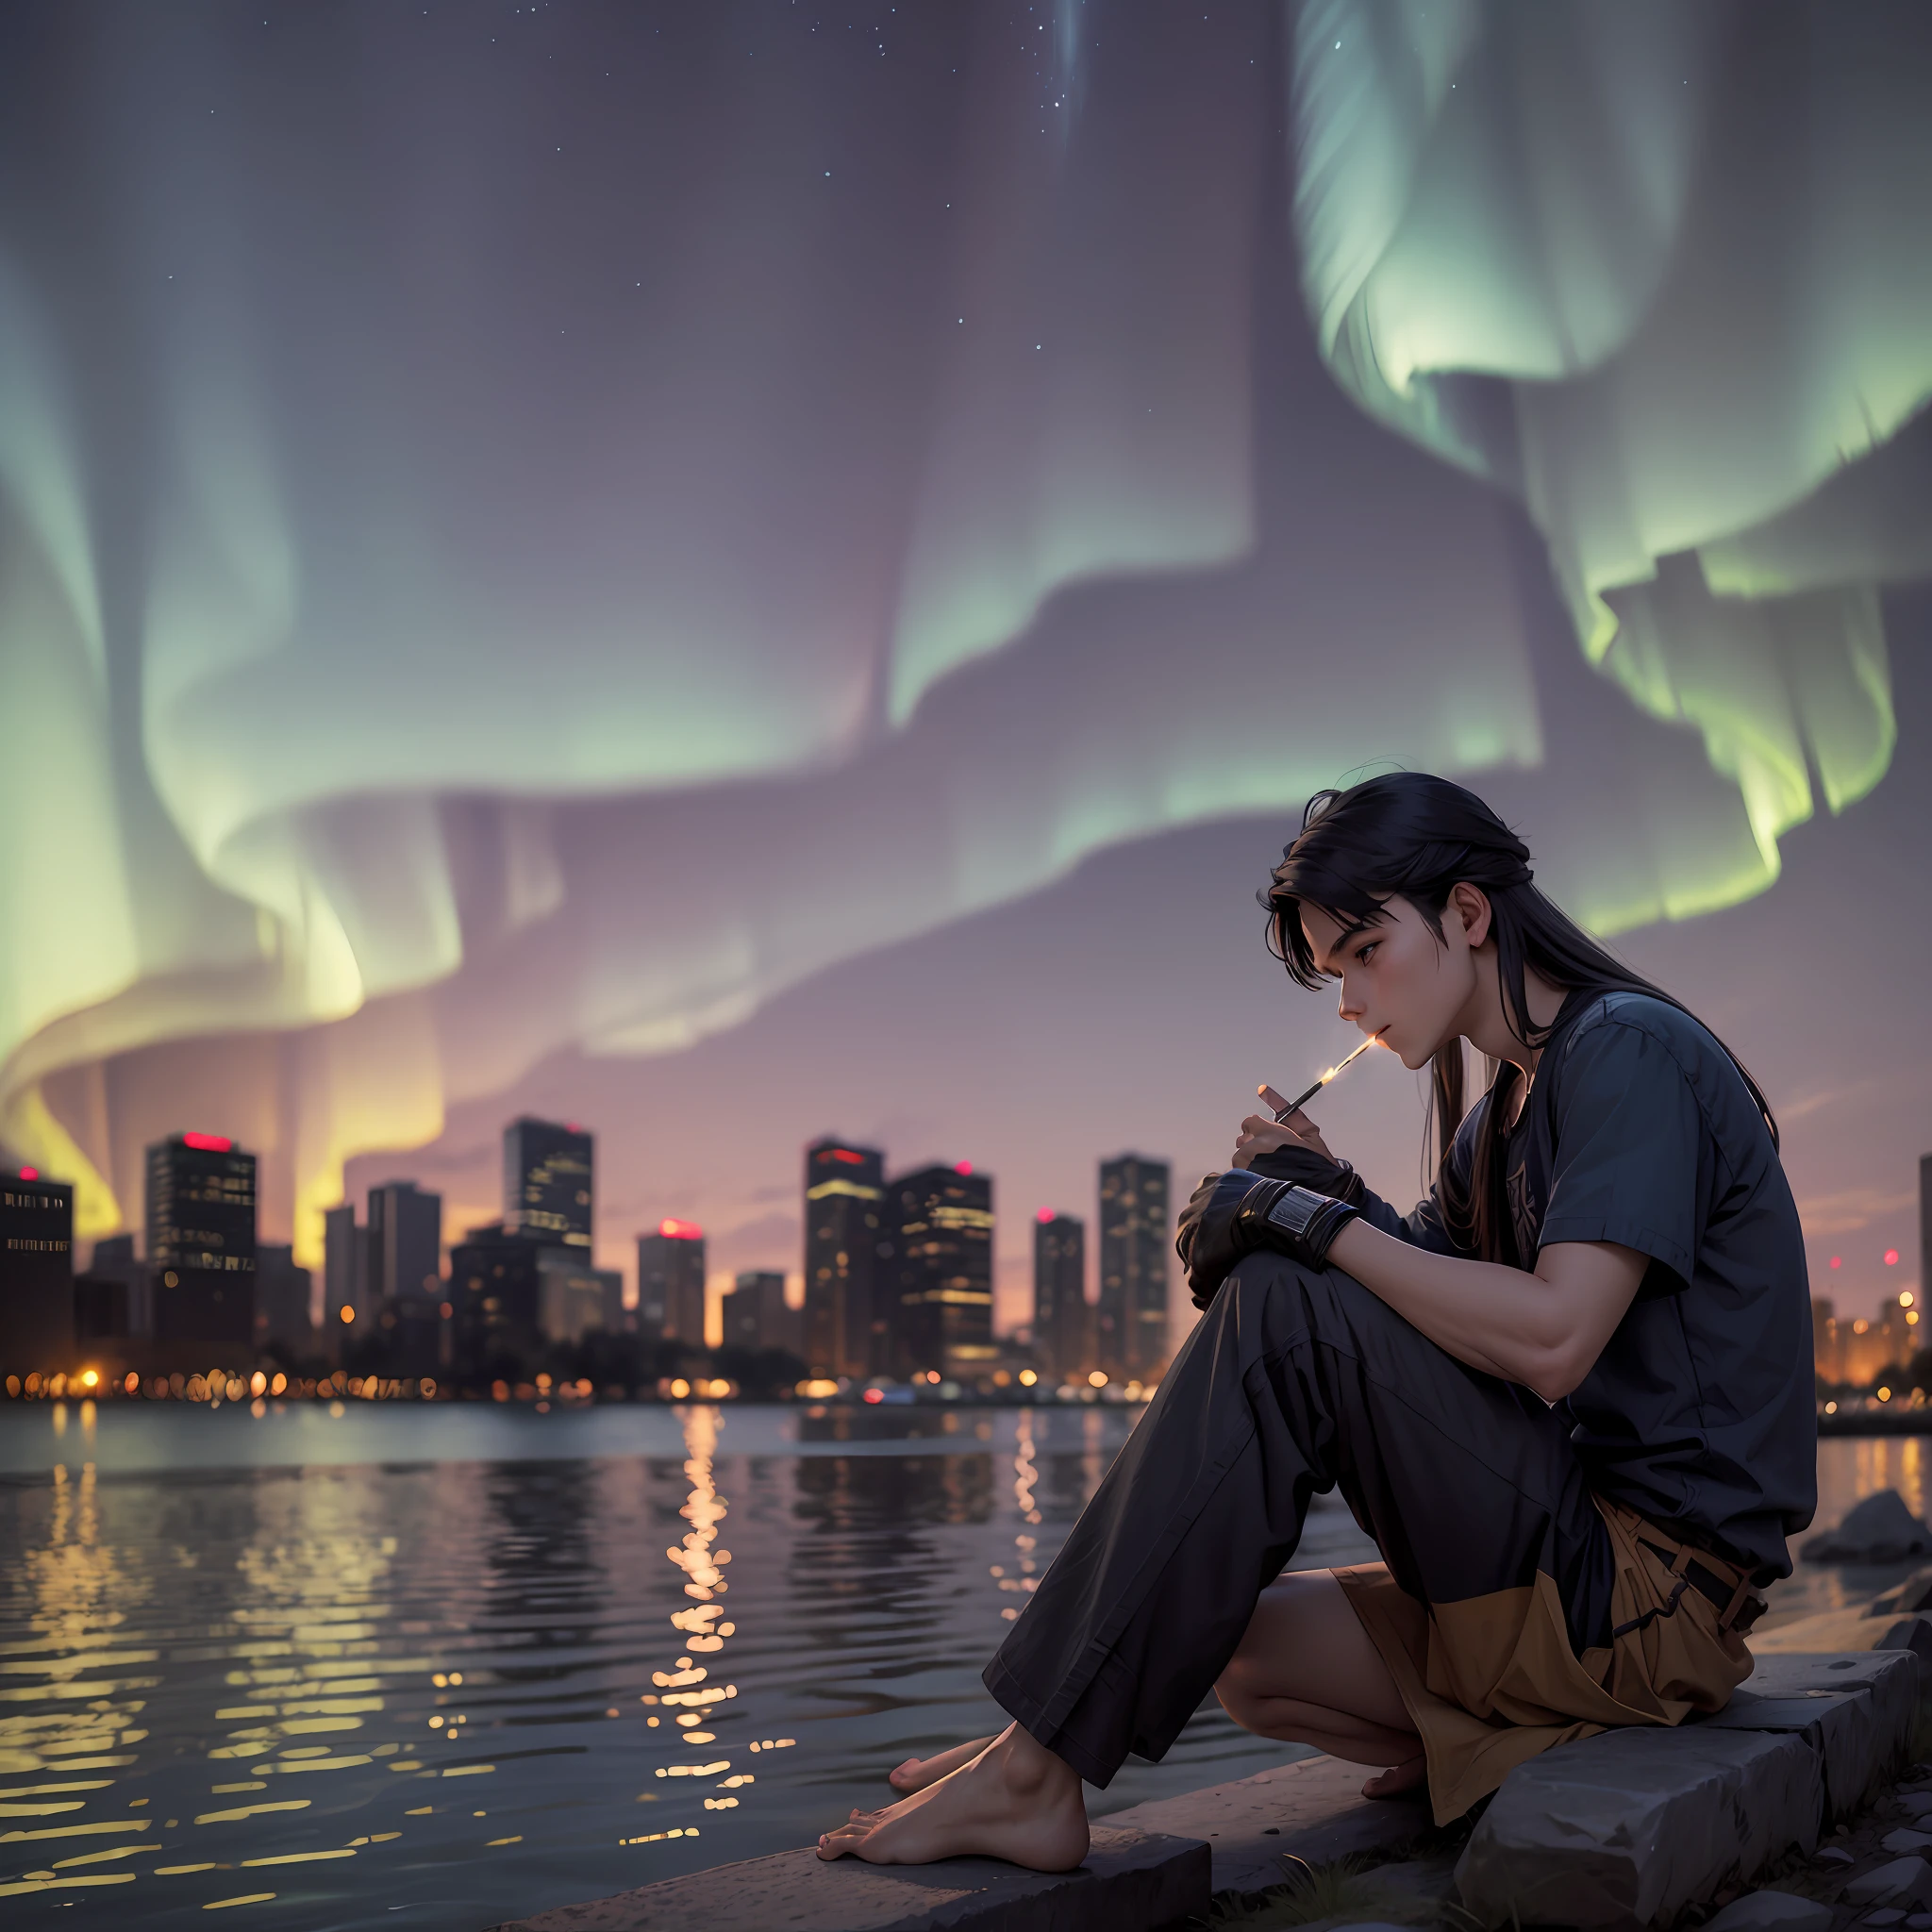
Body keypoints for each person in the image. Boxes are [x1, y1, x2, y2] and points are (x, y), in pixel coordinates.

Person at [817, 772, 1815, 1870]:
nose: (1346, 1000)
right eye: (1331, 970)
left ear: (1469, 914)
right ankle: (1048, 1728)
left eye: (1362, 950)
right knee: (1236, 1649)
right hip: (1566, 1564)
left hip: (1647, 1598)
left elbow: (1547, 1339)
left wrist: (1304, 1222)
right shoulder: (1497, 1116)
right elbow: (1425, 1306)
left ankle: (1033, 1769)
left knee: (1288, 1302)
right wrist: (1328, 1188)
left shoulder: (1625, 1047)